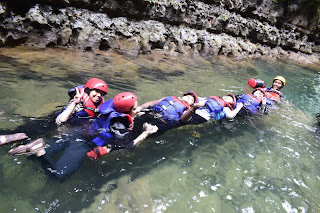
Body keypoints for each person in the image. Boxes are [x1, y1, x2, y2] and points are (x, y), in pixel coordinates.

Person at [5, 92, 156, 180]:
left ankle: (24, 139)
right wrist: (146, 133)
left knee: (31, 159)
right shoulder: (121, 127)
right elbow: (127, 146)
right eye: (135, 108)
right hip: (82, 145)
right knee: (58, 176)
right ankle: (39, 151)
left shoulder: (110, 110)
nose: (137, 110)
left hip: (74, 133)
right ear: (127, 111)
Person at [131, 90, 200, 139]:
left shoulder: (188, 111)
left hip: (160, 123)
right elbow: (153, 103)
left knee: (142, 131)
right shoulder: (170, 98)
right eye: (188, 96)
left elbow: (183, 120)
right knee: (132, 126)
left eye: (191, 99)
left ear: (192, 105)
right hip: (149, 114)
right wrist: (140, 107)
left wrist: (194, 108)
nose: (189, 98)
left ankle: (129, 146)